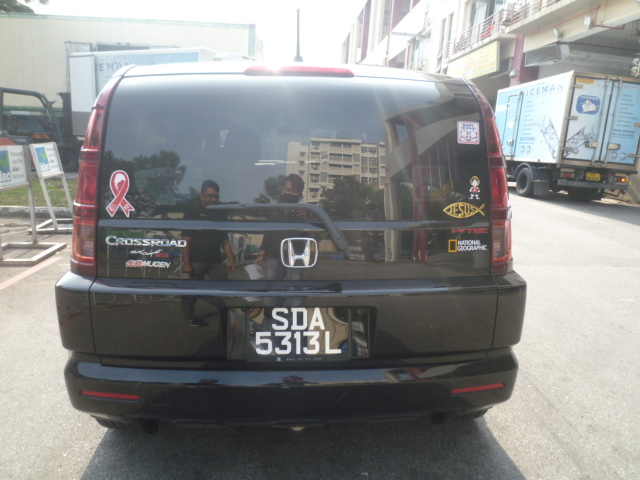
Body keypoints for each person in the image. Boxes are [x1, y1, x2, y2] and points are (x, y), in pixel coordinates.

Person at [181, 180, 236, 324]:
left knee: (224, 286)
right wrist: (186, 262)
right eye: (210, 196)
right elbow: (185, 240)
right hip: (196, 260)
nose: (213, 199)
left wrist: (231, 259)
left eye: (216, 196)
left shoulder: (220, 214)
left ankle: (225, 310)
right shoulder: (193, 212)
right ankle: (191, 316)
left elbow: (225, 240)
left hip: (215, 260)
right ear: (202, 196)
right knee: (193, 292)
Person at [254, 173, 306, 280]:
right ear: (283, 190)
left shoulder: (304, 212)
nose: (290, 193)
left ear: (300, 195)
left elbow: (313, 235)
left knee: (294, 289)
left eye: (294, 191)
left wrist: (308, 218)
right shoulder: (274, 211)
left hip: (296, 257)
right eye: (287, 190)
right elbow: (268, 234)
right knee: (273, 288)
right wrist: (261, 255)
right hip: (275, 256)